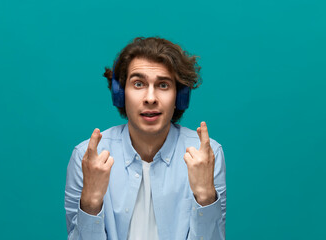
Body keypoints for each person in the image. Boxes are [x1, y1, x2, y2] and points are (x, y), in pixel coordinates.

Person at [65, 37, 226, 240]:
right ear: (121, 94)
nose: (150, 98)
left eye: (163, 85)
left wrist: (205, 197)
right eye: (138, 84)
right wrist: (90, 202)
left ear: (180, 96)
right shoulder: (87, 157)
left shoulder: (207, 155)